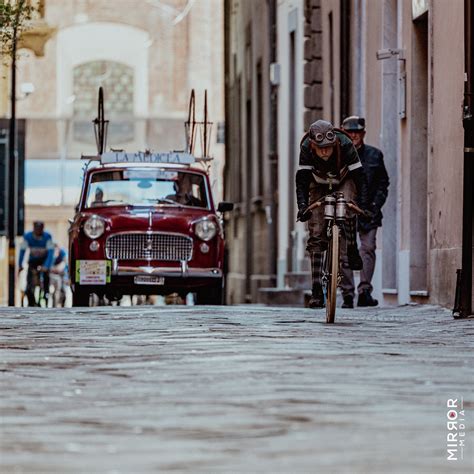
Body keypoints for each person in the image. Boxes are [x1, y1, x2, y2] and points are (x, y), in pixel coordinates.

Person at [296, 119, 369, 309]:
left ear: (334, 142)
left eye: (328, 147)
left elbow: (359, 176)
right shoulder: (305, 147)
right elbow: (302, 180)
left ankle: (351, 247)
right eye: (320, 148)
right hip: (317, 183)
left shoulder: (345, 143)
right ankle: (316, 290)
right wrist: (303, 206)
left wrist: (363, 204)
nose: (325, 152)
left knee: (347, 205)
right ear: (313, 145)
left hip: (345, 178)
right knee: (317, 230)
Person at [339, 116, 390, 307]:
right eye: (350, 132)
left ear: (363, 134)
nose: (353, 136)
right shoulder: (337, 157)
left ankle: (365, 291)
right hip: (344, 210)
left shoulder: (375, 155)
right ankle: (347, 293)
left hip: (368, 210)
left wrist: (376, 205)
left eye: (357, 132)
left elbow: (383, 184)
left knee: (367, 249)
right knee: (343, 253)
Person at [18, 221, 54, 306]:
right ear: (33, 228)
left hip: (43, 261)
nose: (38, 231)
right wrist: (20, 264)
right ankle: (31, 299)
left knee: (45, 277)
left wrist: (46, 266)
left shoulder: (47, 237)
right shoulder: (27, 236)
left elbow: (51, 253)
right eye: (36, 229)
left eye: (40, 229)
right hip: (32, 262)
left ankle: (46, 293)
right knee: (30, 281)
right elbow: (22, 251)